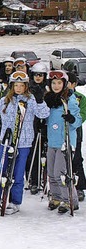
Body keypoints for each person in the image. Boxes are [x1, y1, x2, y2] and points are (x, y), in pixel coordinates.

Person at [0, 71, 49, 214]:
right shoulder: (6, 100)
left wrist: (40, 100)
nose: (18, 88)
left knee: (18, 174)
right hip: (7, 141)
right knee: (1, 171)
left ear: (26, 86)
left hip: (24, 143)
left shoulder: (30, 100)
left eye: (21, 85)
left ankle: (15, 202)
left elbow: (43, 114)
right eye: (16, 85)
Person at [43, 70, 80, 214]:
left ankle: (70, 199)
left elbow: (77, 121)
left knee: (61, 173)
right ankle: (56, 197)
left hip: (65, 141)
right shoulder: (49, 99)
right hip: (52, 140)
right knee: (51, 172)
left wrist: (72, 119)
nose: (56, 86)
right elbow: (46, 118)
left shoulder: (69, 99)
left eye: (59, 83)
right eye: (53, 83)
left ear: (64, 84)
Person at [26, 63, 49, 194]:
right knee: (33, 153)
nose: (38, 77)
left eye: (41, 75)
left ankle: (45, 179)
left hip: (46, 124)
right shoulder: (29, 89)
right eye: (36, 75)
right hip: (32, 124)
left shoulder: (48, 88)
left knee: (45, 153)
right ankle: (33, 180)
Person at [66, 71, 86, 201]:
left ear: (74, 84)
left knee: (76, 158)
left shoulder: (80, 97)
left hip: (75, 131)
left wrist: (74, 120)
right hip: (60, 132)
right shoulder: (57, 96)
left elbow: (83, 114)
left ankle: (79, 187)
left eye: (68, 83)